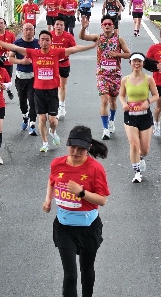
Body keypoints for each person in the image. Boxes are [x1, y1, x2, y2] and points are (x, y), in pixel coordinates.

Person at [0, 31, 96, 152]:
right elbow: (15, 47)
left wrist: (92, 46)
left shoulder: (57, 52)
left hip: (52, 92)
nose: (45, 42)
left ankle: (53, 132)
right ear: (39, 42)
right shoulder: (33, 53)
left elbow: (74, 49)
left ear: (51, 42)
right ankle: (45, 143)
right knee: (42, 119)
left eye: (47, 39)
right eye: (42, 39)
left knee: (53, 120)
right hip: (39, 91)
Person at [42, 125, 110, 297]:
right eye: (73, 147)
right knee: (70, 276)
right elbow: (52, 181)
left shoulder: (95, 169)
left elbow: (102, 200)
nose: (76, 152)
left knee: (87, 272)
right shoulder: (57, 164)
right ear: (67, 144)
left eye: (81, 149)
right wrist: (48, 200)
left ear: (89, 149)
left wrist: (81, 193)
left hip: (88, 228)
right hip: (64, 228)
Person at [79, 15, 131, 140]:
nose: (107, 26)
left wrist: (117, 54)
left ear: (113, 26)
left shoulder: (119, 39)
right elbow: (82, 37)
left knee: (113, 101)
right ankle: (105, 129)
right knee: (104, 100)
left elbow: (129, 54)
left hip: (115, 74)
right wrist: (83, 28)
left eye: (109, 24)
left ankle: (112, 120)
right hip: (102, 74)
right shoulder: (98, 37)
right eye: (105, 24)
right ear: (102, 26)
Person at [118, 52, 159, 183]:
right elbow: (121, 95)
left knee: (145, 149)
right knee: (134, 144)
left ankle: (141, 157)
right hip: (130, 116)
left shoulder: (148, 79)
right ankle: (137, 172)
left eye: (139, 62)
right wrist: (124, 103)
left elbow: (156, 95)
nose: (136, 64)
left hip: (145, 116)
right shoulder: (125, 79)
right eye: (134, 61)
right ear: (130, 63)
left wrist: (148, 102)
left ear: (143, 64)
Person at [10, 22, 40, 134]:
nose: (28, 31)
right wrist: (21, 61)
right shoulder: (17, 43)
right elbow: (10, 59)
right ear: (22, 31)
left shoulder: (38, 43)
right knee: (23, 101)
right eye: (26, 29)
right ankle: (25, 116)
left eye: (30, 29)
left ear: (34, 31)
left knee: (33, 101)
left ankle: (32, 124)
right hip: (21, 77)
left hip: (34, 77)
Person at [51, 18, 77, 120]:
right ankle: (55, 107)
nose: (59, 26)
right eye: (57, 24)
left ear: (64, 26)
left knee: (62, 86)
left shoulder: (68, 36)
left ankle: (62, 107)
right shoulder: (50, 36)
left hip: (64, 64)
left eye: (61, 25)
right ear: (54, 26)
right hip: (51, 65)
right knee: (53, 86)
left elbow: (74, 48)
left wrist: (65, 53)